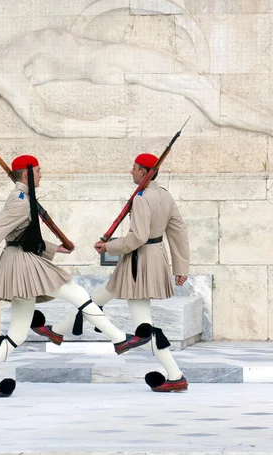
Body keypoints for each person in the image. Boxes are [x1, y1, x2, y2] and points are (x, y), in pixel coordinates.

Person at [0, 154, 151, 398]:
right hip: (23, 262)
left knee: (17, 331)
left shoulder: (24, 197)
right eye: (38, 171)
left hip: (21, 259)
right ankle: (119, 339)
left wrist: (56, 248)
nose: (41, 175)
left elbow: (23, 233)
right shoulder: (19, 200)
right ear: (27, 174)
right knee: (77, 292)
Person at [33, 153, 190, 393]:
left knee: (144, 325)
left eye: (135, 168)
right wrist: (181, 267)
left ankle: (175, 374)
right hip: (151, 259)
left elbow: (138, 237)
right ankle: (58, 330)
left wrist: (109, 247)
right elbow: (178, 232)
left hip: (140, 262)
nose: (131, 171)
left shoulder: (141, 198)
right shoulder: (165, 196)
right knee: (98, 296)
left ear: (145, 172)